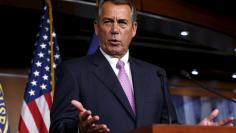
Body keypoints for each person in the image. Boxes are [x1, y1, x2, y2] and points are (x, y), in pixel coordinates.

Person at [49, 0, 235, 133]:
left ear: (134, 29)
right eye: (108, 22)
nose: (115, 30)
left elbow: (168, 127)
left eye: (122, 23)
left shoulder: (155, 74)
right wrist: (80, 129)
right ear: (96, 28)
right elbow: (57, 128)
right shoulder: (74, 71)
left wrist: (195, 132)